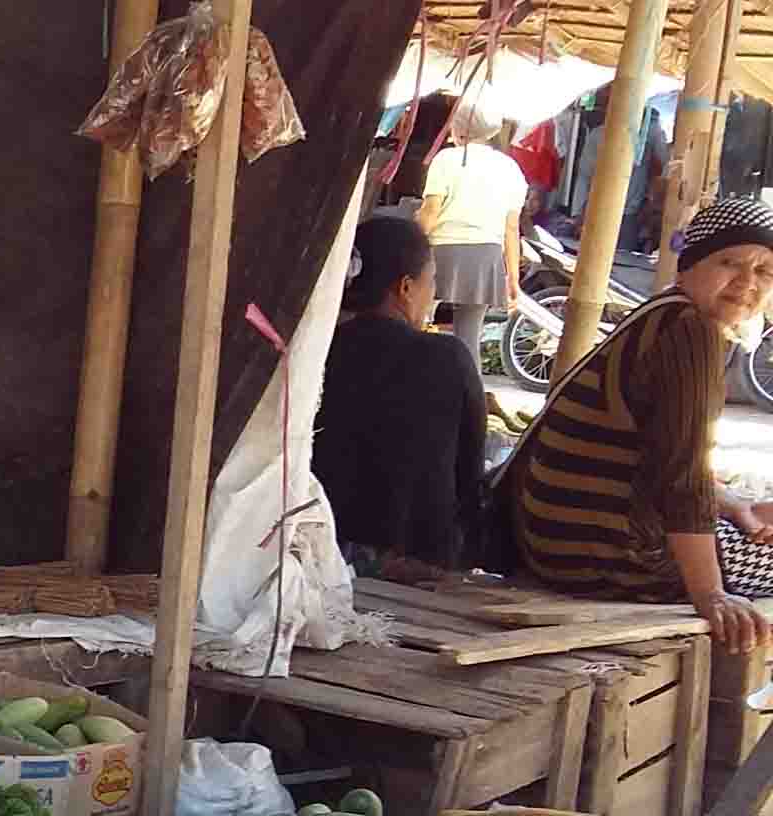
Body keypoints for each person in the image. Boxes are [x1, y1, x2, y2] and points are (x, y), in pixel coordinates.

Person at [498, 195, 773, 652]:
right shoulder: (690, 332)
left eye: (764, 271)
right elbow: (681, 478)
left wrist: (732, 505)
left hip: (560, 543)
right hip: (605, 556)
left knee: (756, 515)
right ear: (690, 267)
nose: (746, 282)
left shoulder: (666, 312)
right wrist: (710, 594)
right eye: (730, 262)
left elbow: (662, 458)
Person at [316, 214, 487, 576]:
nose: (433, 294)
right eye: (432, 281)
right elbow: (470, 473)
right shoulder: (447, 357)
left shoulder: (316, 351)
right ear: (405, 288)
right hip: (419, 567)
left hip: (323, 558)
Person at [419, 106, 528, 359]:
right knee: (469, 342)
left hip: (441, 252)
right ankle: (469, 395)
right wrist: (513, 279)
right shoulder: (510, 168)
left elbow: (430, 213)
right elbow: (512, 228)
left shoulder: (446, 159)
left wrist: (409, 246)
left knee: (418, 328)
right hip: (486, 256)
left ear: (457, 128)